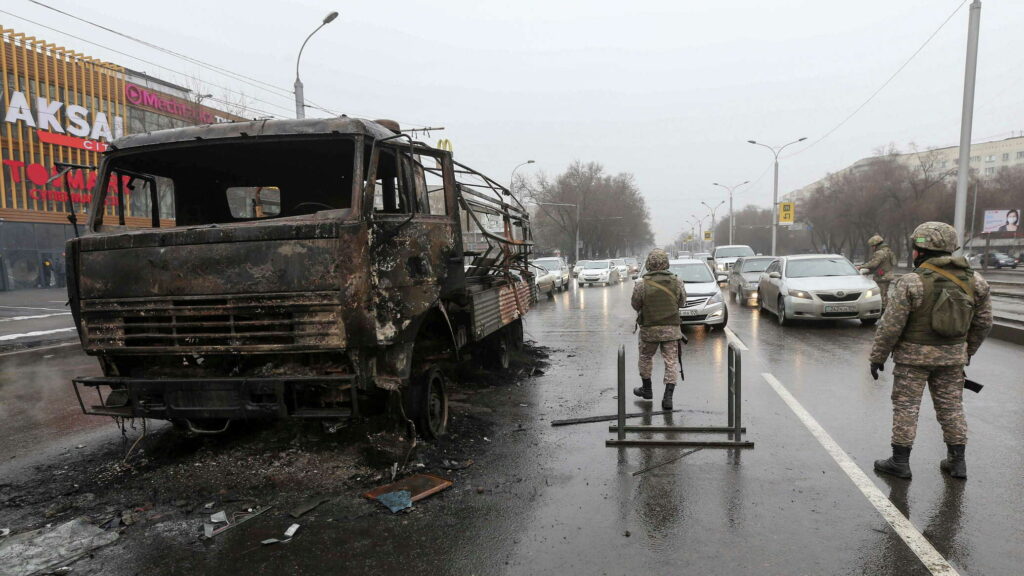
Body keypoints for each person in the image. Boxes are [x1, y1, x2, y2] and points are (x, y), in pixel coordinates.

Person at [869, 222, 992, 480]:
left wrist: (878, 357)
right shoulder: (975, 281)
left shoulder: (911, 282)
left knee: (906, 408)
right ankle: (957, 463)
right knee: (952, 408)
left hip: (912, 359)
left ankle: (900, 462)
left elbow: (891, 326)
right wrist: (967, 351)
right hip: (952, 359)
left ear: (920, 250)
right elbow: (983, 323)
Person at [631, 249, 686, 409]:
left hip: (649, 330)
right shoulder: (677, 282)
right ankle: (668, 398)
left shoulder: (641, 284)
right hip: (671, 330)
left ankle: (647, 389)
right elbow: (682, 303)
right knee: (671, 362)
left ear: (649, 264)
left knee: (646, 357)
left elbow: (635, 304)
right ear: (666, 263)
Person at [858, 235, 897, 310]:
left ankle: (883, 312)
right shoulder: (888, 251)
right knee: (885, 294)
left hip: (881, 277)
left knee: (881, 296)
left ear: (876, 245)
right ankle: (886, 310)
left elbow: (873, 264)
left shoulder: (880, 252)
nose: (872, 248)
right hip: (888, 276)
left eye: (872, 246)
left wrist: (861, 267)